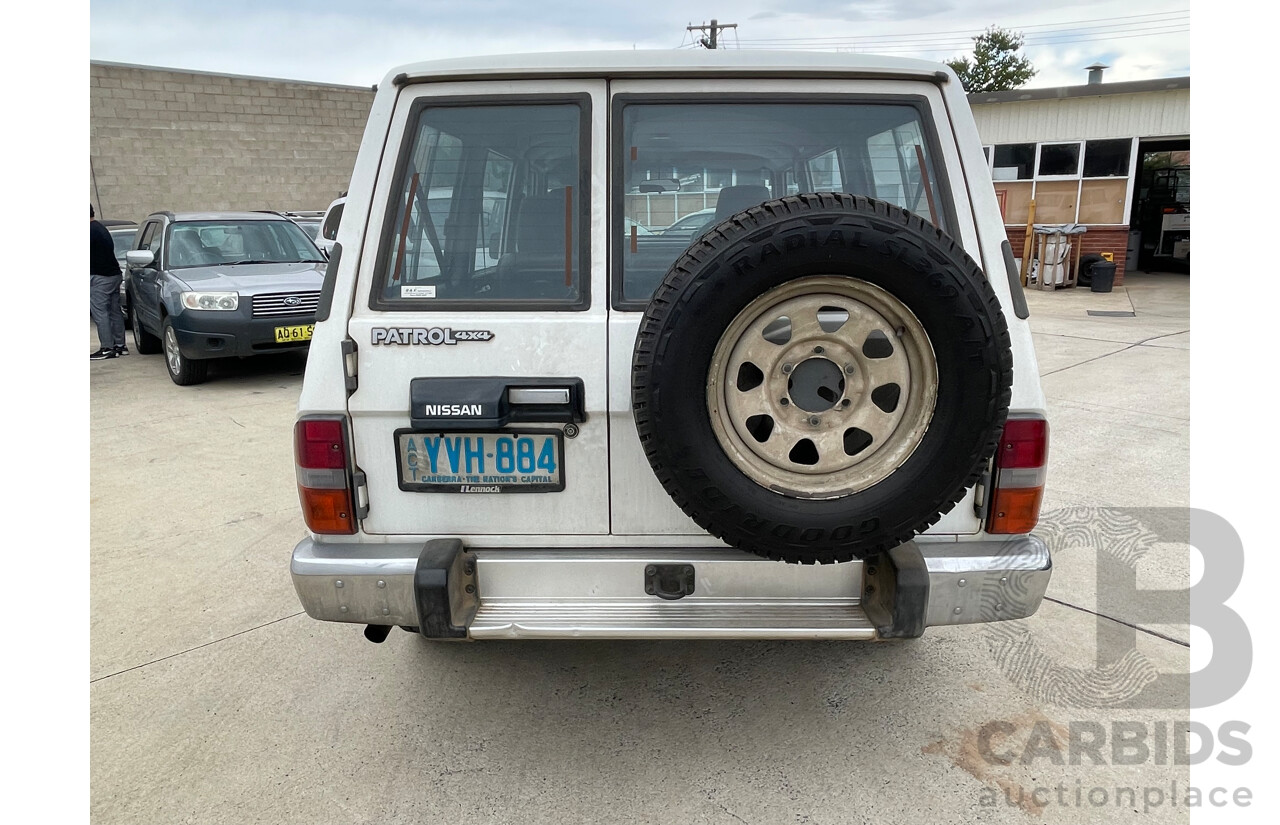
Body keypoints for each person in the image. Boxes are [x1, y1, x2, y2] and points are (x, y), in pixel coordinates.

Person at [90, 204, 127, 359]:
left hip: (101, 277)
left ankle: (107, 347)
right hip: (113, 275)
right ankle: (120, 345)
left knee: (100, 312)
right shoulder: (99, 228)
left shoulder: (90, 231)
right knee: (114, 311)